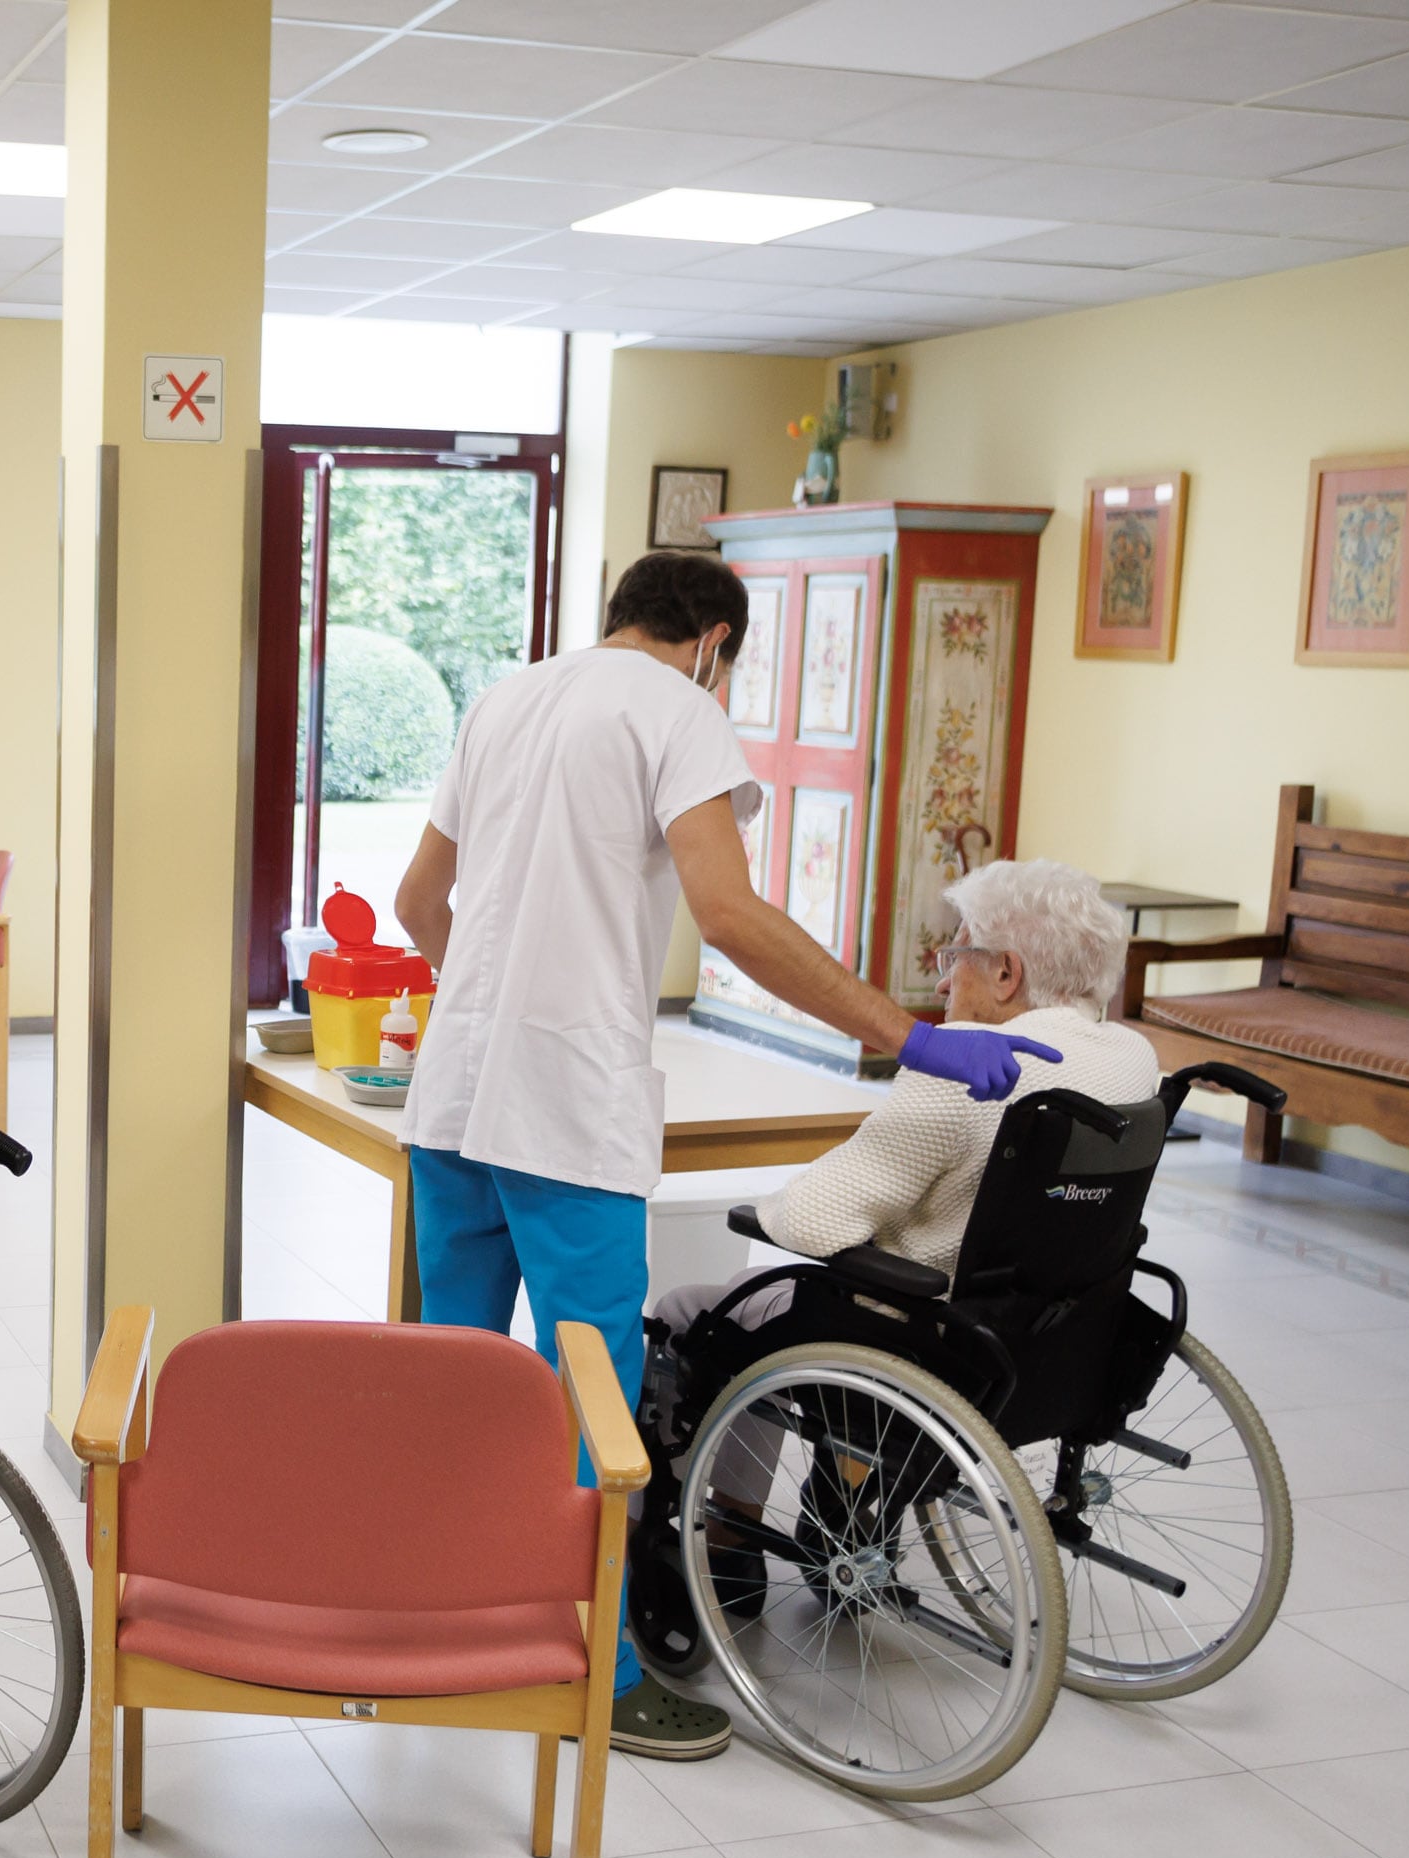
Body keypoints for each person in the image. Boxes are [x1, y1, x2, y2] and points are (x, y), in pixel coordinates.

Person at [391, 549, 1059, 1764]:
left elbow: (416, 902)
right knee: (590, 1401)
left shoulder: (506, 696)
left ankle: (440, 1624)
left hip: (451, 1097)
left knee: (456, 1379)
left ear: (614, 619)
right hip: (562, 1113)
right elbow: (730, 914)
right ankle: (606, 1677)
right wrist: (907, 1034)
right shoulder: (678, 711)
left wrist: (490, 998)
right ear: (713, 642)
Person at [630, 858, 1162, 1673]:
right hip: (1049, 1341)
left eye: (957, 953)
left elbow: (811, 1222)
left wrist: (766, 1210)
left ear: (1007, 971)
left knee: (697, 1312)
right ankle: (842, 1502)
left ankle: (730, 1536)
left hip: (916, 1333)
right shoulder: (1132, 1060)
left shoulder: (971, 1062)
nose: (945, 974)